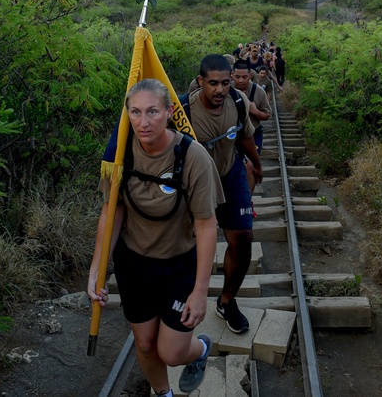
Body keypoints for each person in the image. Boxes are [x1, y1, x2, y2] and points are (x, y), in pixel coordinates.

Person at [88, 79, 223, 397]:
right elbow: (112, 212)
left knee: (172, 353)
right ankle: (164, 394)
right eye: (135, 112)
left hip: (178, 266)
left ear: (169, 112)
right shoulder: (121, 153)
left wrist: (201, 292)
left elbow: (206, 226)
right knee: (146, 345)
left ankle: (200, 349)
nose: (143, 122)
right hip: (134, 264)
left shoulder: (193, 158)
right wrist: (98, 269)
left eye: (152, 111)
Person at [186, 54, 262, 334]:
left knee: (243, 239)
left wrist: (256, 163)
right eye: (213, 83)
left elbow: (244, 135)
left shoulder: (238, 102)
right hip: (195, 183)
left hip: (230, 174)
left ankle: (227, 301)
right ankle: (185, 298)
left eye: (225, 83)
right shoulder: (184, 110)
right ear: (200, 82)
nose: (220, 90)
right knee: (185, 246)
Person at [231, 59, 271, 189]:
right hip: (232, 134)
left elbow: (267, 115)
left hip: (253, 133)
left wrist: (255, 111)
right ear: (232, 75)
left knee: (251, 165)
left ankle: (248, 201)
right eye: (237, 77)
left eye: (244, 77)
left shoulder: (258, 91)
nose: (241, 81)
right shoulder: (226, 90)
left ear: (250, 75)